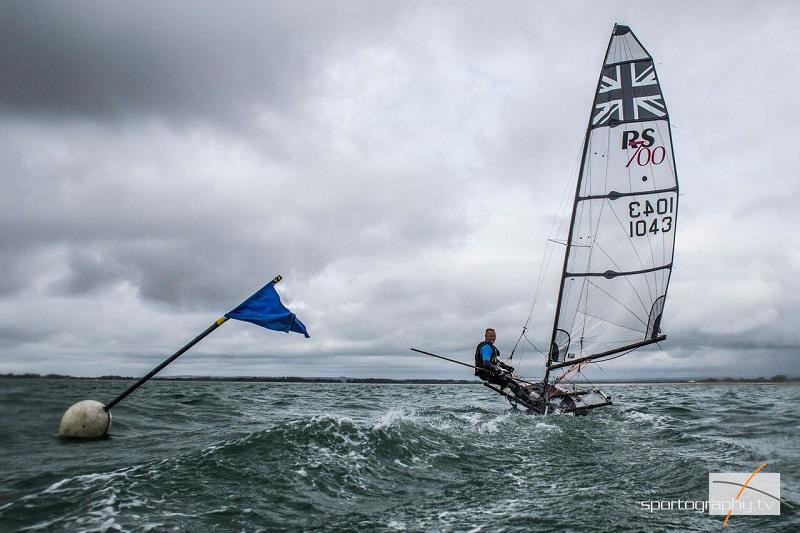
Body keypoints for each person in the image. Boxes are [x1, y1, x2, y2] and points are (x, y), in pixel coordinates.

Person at [474, 328, 530, 401]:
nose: (493, 338)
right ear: (485, 336)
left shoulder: (490, 347)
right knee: (512, 384)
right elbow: (486, 363)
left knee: (510, 379)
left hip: (489, 373)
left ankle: (514, 393)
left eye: (494, 336)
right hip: (487, 373)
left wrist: (507, 367)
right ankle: (530, 402)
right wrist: (499, 371)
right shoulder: (486, 348)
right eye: (490, 336)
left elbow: (496, 362)